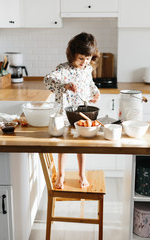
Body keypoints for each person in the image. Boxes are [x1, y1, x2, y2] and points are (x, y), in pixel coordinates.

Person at [44, 32, 100, 189]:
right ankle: (61, 176)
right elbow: (47, 80)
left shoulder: (87, 69)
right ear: (72, 54)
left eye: (87, 58)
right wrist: (65, 86)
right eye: (81, 58)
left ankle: (82, 174)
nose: (84, 62)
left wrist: (95, 92)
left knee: (82, 146)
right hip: (64, 115)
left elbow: (90, 84)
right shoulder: (64, 69)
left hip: (82, 113)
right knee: (64, 146)